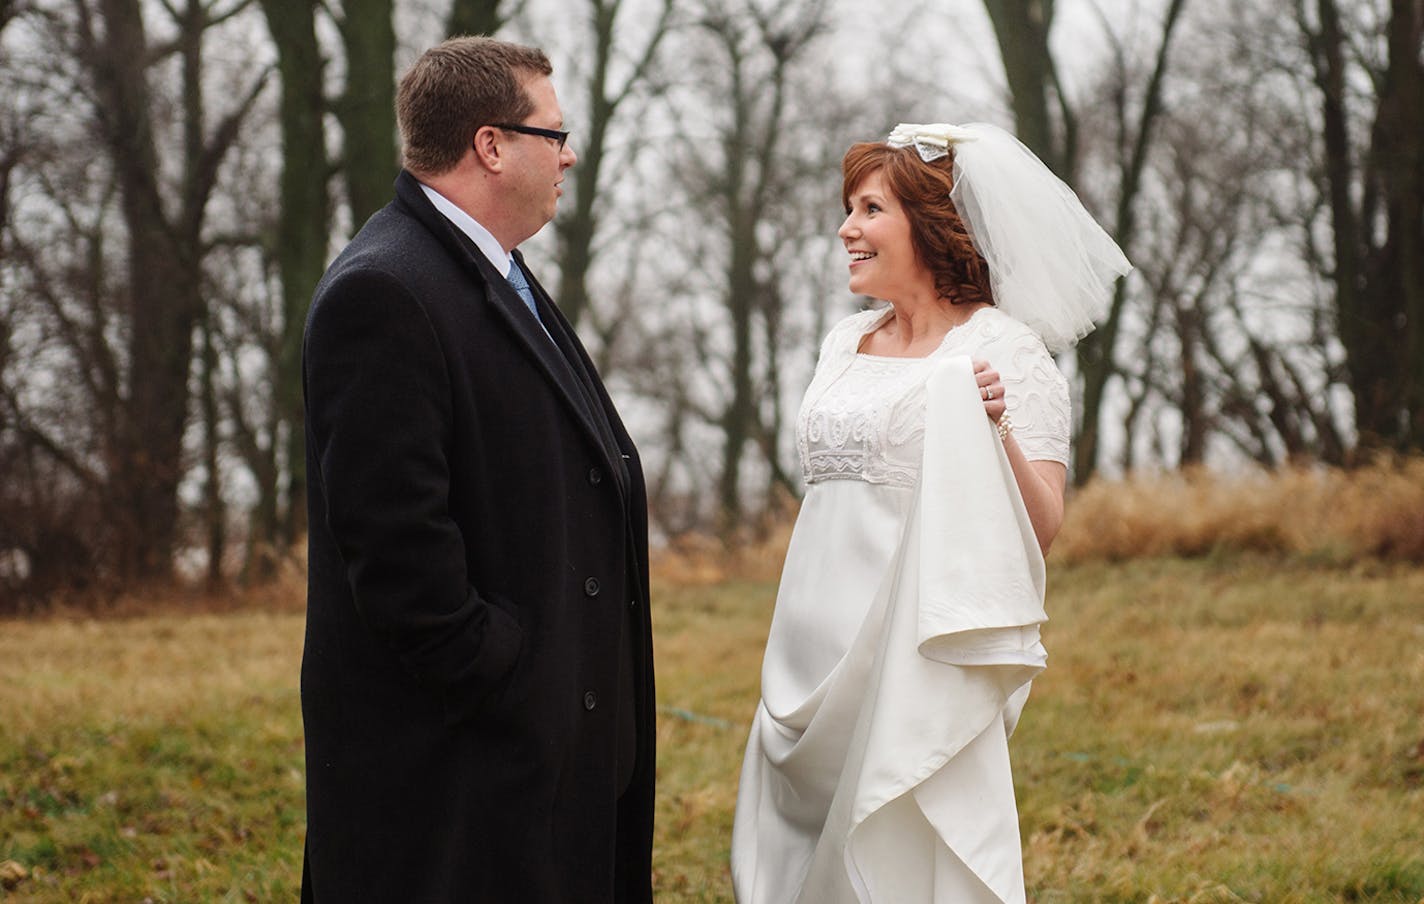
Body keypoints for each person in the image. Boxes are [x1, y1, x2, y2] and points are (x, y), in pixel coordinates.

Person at [730, 122, 1131, 903]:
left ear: (933, 226)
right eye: (849, 209)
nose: (847, 229)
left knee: (898, 854)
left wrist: (995, 429)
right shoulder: (845, 342)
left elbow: (1043, 523)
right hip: (806, 651)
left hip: (911, 648)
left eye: (870, 209)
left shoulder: (1007, 352)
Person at [300, 37, 653, 903]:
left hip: (533, 771)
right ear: (491, 145)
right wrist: (514, 677)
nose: (568, 153)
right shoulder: (384, 291)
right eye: (553, 133)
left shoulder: (491, 269)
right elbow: (396, 555)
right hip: (460, 783)